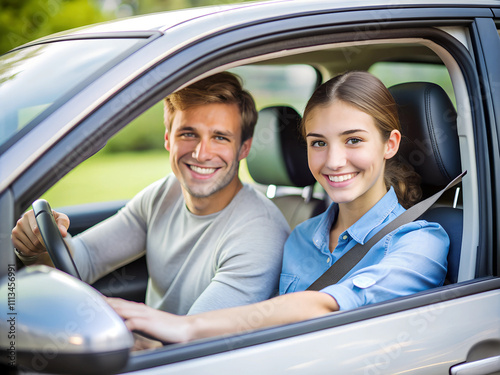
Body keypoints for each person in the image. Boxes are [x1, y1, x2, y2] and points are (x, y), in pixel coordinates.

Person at [106, 71, 449, 345]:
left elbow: (325, 305)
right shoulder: (299, 236)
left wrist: (186, 327)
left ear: (389, 144)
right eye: (318, 143)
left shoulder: (421, 243)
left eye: (354, 140)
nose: (333, 161)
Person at [11, 72, 290, 316]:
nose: (201, 153)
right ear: (168, 138)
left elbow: (194, 339)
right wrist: (35, 247)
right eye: (188, 134)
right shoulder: (164, 194)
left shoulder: (260, 233)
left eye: (220, 137)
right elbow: (85, 259)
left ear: (243, 148)